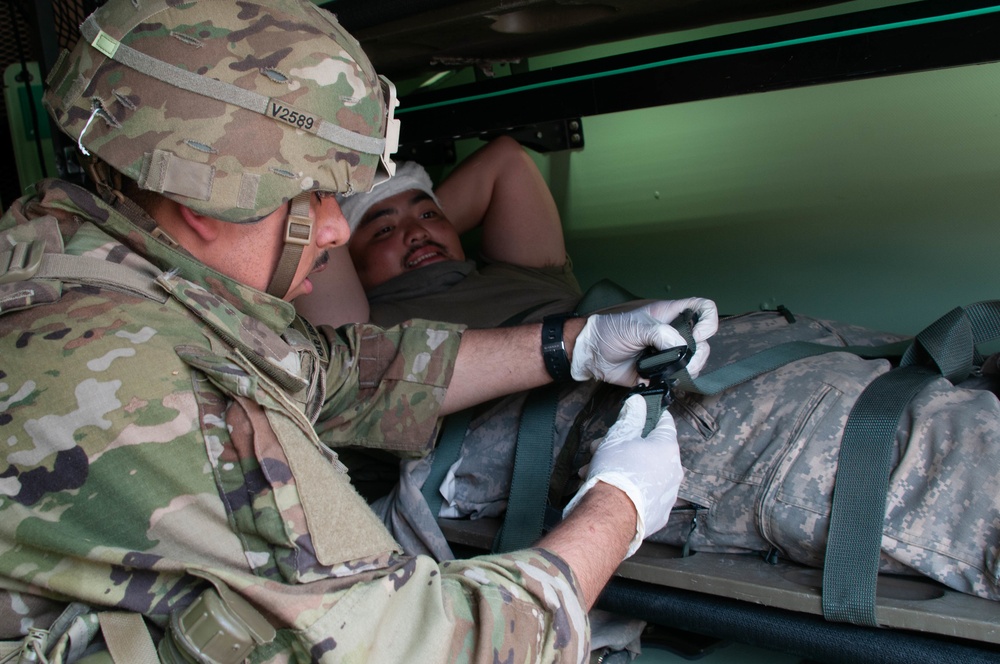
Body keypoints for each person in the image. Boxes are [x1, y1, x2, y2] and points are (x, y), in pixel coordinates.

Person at [0, 3, 720, 662]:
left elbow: (333, 371)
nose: (337, 226)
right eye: (314, 195)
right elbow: (422, 648)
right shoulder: (161, 395)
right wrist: (619, 506)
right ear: (206, 202)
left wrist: (577, 343)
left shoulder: (80, 254)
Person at [300, 135, 1000, 603]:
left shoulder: (514, 271)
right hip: (578, 406)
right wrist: (364, 195)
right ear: (341, 250)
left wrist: (406, 210)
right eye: (381, 231)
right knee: (898, 436)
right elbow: (319, 235)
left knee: (927, 360)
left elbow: (509, 160)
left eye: (428, 215)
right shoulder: (368, 329)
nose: (415, 231)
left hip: (679, 349)